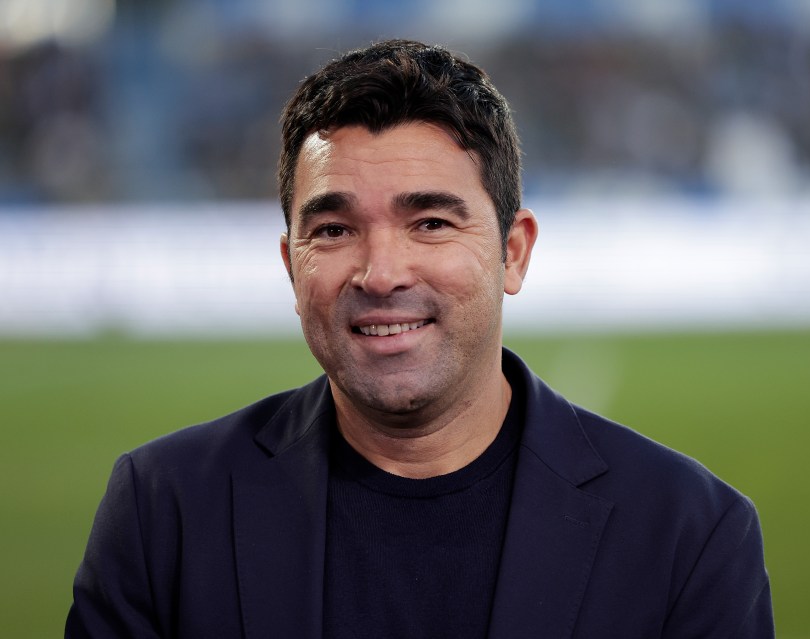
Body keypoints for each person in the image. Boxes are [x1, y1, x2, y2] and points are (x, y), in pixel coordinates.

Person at [67, 39, 774, 638]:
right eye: (335, 229)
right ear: (291, 265)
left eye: (431, 223)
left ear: (514, 253)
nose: (381, 273)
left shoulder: (691, 533)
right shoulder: (164, 511)